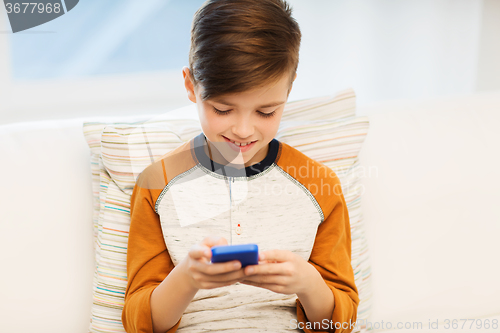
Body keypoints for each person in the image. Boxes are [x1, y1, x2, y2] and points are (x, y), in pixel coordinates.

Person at [121, 0, 359, 332]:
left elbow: (337, 324)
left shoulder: (320, 185)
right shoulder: (156, 183)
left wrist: (307, 282)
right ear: (191, 86)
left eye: (266, 112)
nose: (244, 131)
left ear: (288, 91)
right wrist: (187, 277)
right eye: (222, 109)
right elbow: (140, 324)